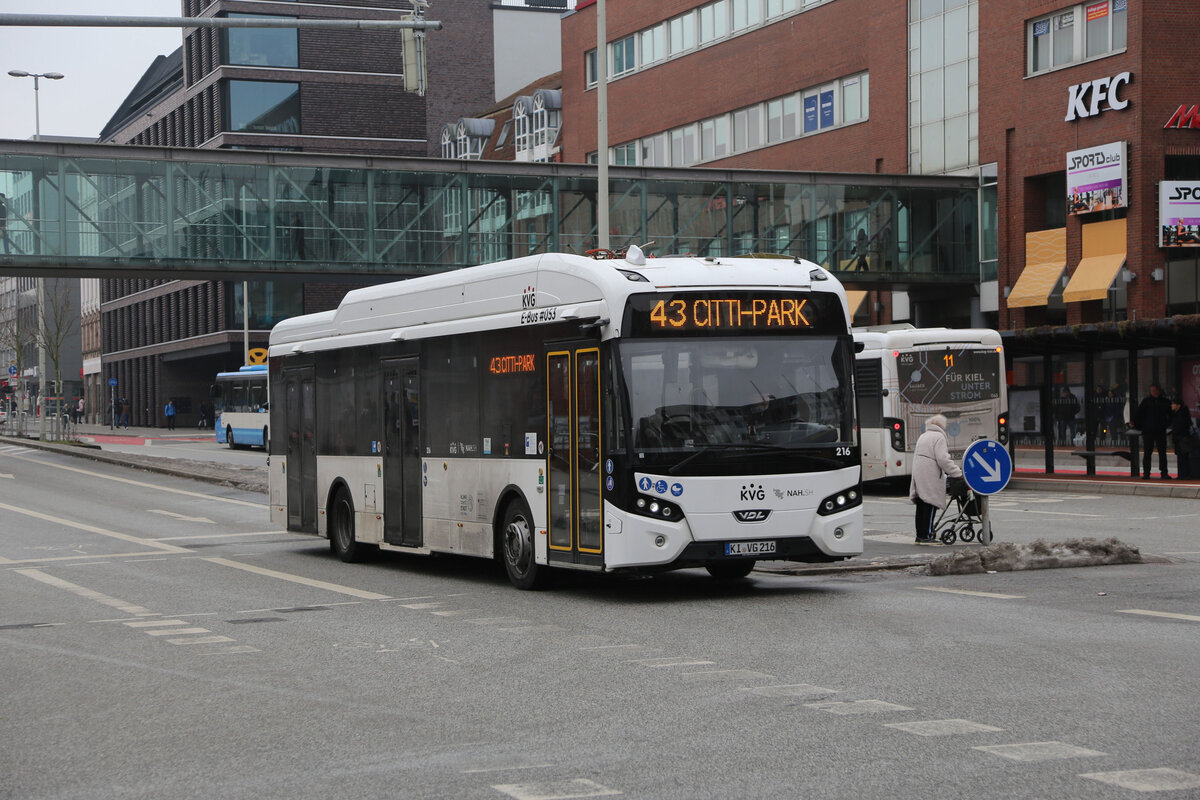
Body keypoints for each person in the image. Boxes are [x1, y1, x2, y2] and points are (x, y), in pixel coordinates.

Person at [909, 414, 963, 544]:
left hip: (919, 473)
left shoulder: (923, 436)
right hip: (930, 475)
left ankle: (920, 535)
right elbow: (943, 459)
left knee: (921, 504)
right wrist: (957, 473)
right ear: (942, 425)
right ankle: (926, 535)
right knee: (930, 504)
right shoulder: (939, 437)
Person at [1131, 383, 1172, 479]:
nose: (1153, 392)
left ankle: (1164, 472)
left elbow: (1170, 415)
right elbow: (1139, 414)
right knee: (1147, 452)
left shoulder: (1165, 401)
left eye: (1155, 390)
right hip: (1148, 430)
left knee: (1162, 452)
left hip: (1160, 430)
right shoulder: (1146, 401)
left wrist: (1166, 424)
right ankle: (1146, 472)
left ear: (1158, 390)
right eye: (1152, 391)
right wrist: (1136, 424)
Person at [1168, 398, 1196, 480]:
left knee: (1182, 457)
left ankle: (1182, 475)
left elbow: (1179, 427)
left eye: (1173, 404)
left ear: (1178, 405)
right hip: (1184, 438)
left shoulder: (1180, 415)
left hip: (1181, 439)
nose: (1172, 405)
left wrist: (1174, 433)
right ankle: (1184, 474)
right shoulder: (1183, 413)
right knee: (1184, 457)